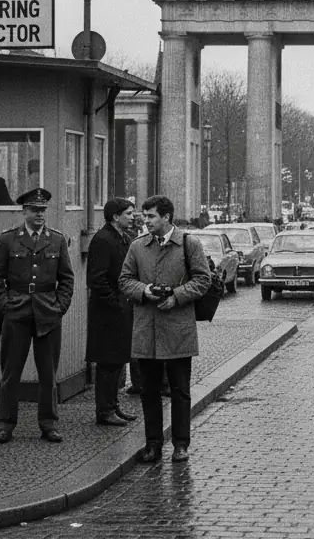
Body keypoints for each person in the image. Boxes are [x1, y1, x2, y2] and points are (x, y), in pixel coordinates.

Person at [119, 194, 211, 464]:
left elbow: (202, 280)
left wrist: (177, 297)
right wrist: (144, 290)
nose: (145, 221)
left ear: (166, 217)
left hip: (178, 329)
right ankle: (153, 445)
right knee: (149, 392)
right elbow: (124, 280)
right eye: (144, 216)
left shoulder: (187, 244)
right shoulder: (137, 247)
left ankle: (181, 445)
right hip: (147, 329)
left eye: (151, 216)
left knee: (180, 390)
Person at [0, 188, 74, 444]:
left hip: (48, 313)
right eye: (34, 210)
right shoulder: (8, 240)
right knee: (11, 373)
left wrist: (59, 307)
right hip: (17, 311)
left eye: (43, 210)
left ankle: (49, 424)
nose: (39, 215)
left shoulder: (56, 240)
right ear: (23, 211)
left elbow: (67, 279)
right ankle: (5, 424)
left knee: (48, 374)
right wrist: (5, 306)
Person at [87, 198, 138, 427]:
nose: (132, 216)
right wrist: (116, 303)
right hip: (107, 313)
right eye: (128, 213)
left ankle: (113, 405)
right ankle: (105, 410)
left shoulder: (123, 238)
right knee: (108, 363)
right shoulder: (103, 239)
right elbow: (96, 279)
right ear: (115, 216)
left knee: (117, 361)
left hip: (121, 309)